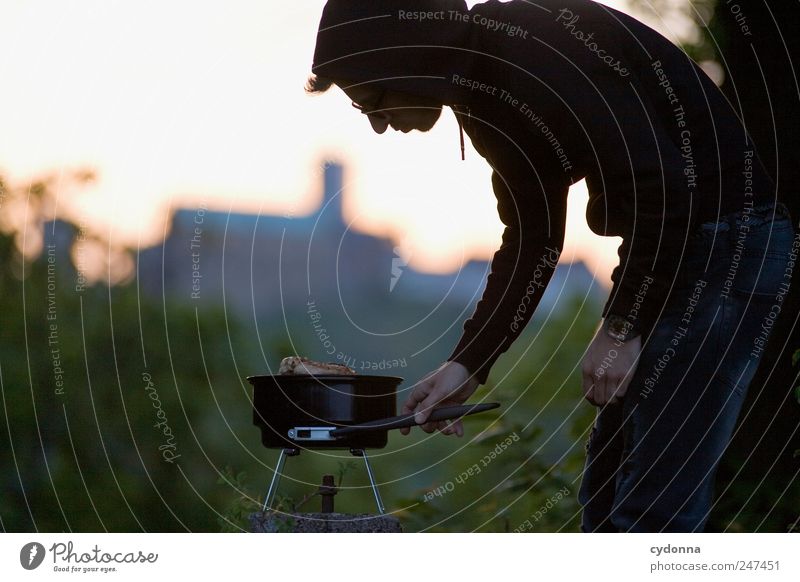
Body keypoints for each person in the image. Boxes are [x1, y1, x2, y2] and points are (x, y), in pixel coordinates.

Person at [308, 0, 795, 532]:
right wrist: (467, 365)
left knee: (654, 509)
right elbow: (533, 239)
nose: (378, 124)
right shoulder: (484, 94)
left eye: (373, 98)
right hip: (678, 251)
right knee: (605, 497)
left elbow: (664, 188)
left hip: (729, 247)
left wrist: (622, 325)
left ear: (409, 57)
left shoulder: (531, 53)